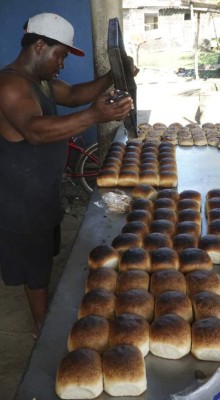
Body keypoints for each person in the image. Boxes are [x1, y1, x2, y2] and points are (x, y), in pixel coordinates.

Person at [0, 13, 134, 339]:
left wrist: (113, 76)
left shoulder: (40, 81)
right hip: (20, 201)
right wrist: (94, 115)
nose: (61, 64)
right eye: (59, 55)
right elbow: (33, 130)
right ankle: (42, 331)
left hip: (41, 192)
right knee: (34, 272)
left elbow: (74, 94)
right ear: (40, 45)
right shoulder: (9, 85)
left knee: (44, 258)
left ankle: (43, 317)